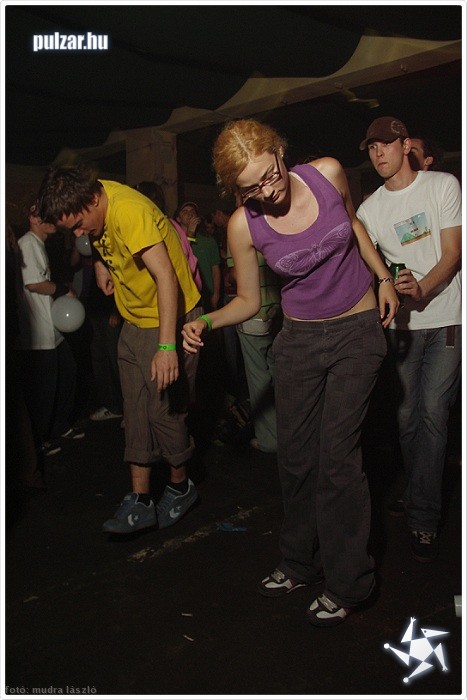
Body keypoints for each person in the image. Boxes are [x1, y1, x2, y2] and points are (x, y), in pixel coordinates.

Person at [182, 119, 399, 627]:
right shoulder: (243, 224)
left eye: (270, 173)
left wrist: (384, 277)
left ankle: (351, 583)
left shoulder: (327, 174)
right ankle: (301, 562)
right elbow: (248, 300)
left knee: (338, 461)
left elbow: (355, 225)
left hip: (356, 332)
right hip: (299, 342)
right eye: (250, 187)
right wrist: (206, 321)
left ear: (281, 152)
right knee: (295, 459)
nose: (268, 190)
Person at [37, 166, 203, 534]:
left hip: (169, 318)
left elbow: (166, 278)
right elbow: (99, 237)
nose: (78, 235)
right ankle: (141, 499)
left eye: (79, 225)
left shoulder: (129, 210)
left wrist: (167, 346)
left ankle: (181, 487)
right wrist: (100, 263)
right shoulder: (94, 202)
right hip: (134, 321)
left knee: (164, 411)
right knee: (135, 411)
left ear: (93, 199)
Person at [356, 116, 462, 563]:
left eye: (385, 144)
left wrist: (422, 289)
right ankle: (420, 489)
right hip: (402, 330)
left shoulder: (442, 186)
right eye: (371, 147)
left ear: (404, 145)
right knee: (405, 419)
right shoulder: (369, 211)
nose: (378, 153)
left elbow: (453, 254)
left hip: (447, 321)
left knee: (433, 415)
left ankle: (424, 515)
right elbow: (369, 268)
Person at [16, 200, 85, 458]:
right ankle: (39, 440)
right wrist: (63, 289)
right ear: (32, 219)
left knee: (67, 373)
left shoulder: (39, 244)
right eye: (40, 213)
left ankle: (58, 426)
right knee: (44, 390)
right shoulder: (28, 243)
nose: (49, 216)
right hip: (37, 334)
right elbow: (33, 284)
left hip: (51, 330)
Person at [227, 249, 282, 453]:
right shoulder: (275, 233)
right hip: (278, 310)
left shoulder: (239, 234)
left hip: (253, 314)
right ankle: (285, 430)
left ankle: (269, 439)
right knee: (277, 374)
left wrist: (230, 275)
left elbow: (237, 274)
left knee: (258, 379)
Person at [174, 201, 221, 313]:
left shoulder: (208, 240)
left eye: (192, 211)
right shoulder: (174, 239)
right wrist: (190, 233)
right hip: (185, 296)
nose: (189, 214)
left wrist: (216, 294)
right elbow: (180, 258)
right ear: (178, 219)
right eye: (185, 211)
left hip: (206, 295)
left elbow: (215, 269)